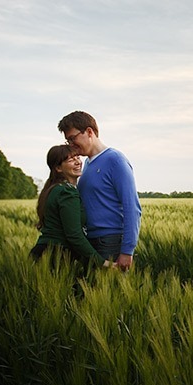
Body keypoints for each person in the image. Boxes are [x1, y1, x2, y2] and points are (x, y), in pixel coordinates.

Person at [58, 111, 142, 272]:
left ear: (89, 132)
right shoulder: (88, 164)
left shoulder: (115, 160)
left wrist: (127, 250)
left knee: (111, 294)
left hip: (110, 242)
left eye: (73, 138)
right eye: (68, 140)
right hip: (91, 241)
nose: (70, 144)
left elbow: (132, 207)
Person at [30, 144, 113, 268]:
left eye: (77, 157)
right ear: (58, 168)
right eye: (70, 160)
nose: (77, 162)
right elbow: (74, 235)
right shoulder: (66, 192)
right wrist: (102, 263)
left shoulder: (54, 189)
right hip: (56, 257)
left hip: (43, 253)